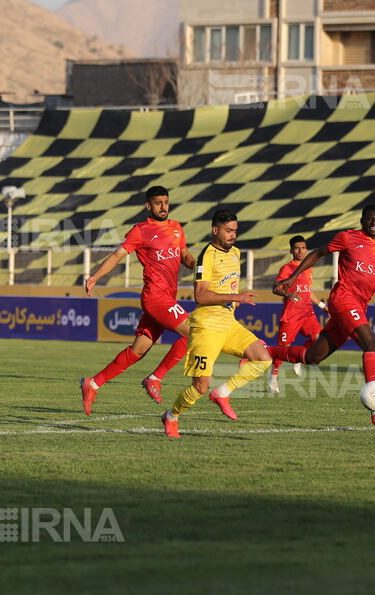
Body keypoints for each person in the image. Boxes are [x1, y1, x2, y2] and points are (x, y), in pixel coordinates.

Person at [271, 205, 375, 424]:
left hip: (360, 305)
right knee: (371, 345)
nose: (374, 223)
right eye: (370, 219)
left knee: (314, 357)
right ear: (362, 220)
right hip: (344, 299)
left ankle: (266, 351)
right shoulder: (348, 237)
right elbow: (317, 253)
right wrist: (293, 277)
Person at [81, 185, 197, 414]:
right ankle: (155, 378)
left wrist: (201, 267)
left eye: (165, 202)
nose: (163, 207)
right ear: (148, 205)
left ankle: (92, 383)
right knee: (195, 333)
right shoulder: (140, 231)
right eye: (158, 203)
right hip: (156, 298)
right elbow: (117, 255)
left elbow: (184, 256)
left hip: (166, 297)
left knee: (138, 350)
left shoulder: (176, 228)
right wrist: (95, 277)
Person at [162, 207, 271, 438]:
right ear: (215, 230)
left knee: (263, 358)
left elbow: (226, 285)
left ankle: (222, 393)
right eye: (228, 230)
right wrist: (235, 297)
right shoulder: (206, 257)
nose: (233, 235)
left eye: (235, 231)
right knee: (200, 387)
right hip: (206, 327)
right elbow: (200, 295)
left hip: (228, 323)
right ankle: (171, 416)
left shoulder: (235, 253)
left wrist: (235, 300)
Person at [268, 235, 326, 393]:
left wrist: (322, 306)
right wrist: (287, 294)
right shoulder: (287, 269)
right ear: (291, 250)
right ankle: (273, 378)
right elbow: (276, 288)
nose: (301, 251)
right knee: (282, 349)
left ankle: (298, 357)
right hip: (291, 315)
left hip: (307, 313)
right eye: (297, 248)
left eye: (303, 248)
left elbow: (308, 291)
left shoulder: (309, 268)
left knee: (318, 340)